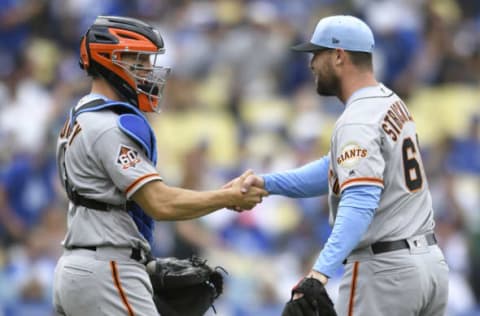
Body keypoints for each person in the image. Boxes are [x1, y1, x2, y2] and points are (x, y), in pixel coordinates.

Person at [52, 16, 267, 316]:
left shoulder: (81, 113)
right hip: (108, 270)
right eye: (137, 60)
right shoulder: (109, 126)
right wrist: (228, 197)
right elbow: (160, 203)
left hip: (80, 267)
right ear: (109, 59)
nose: (147, 70)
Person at [234, 15, 449, 315]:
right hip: (429, 266)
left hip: (385, 273)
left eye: (316, 54)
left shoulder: (357, 119)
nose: (310, 64)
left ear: (338, 56)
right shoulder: (389, 101)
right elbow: (335, 170)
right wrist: (268, 184)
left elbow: (360, 200)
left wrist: (319, 273)